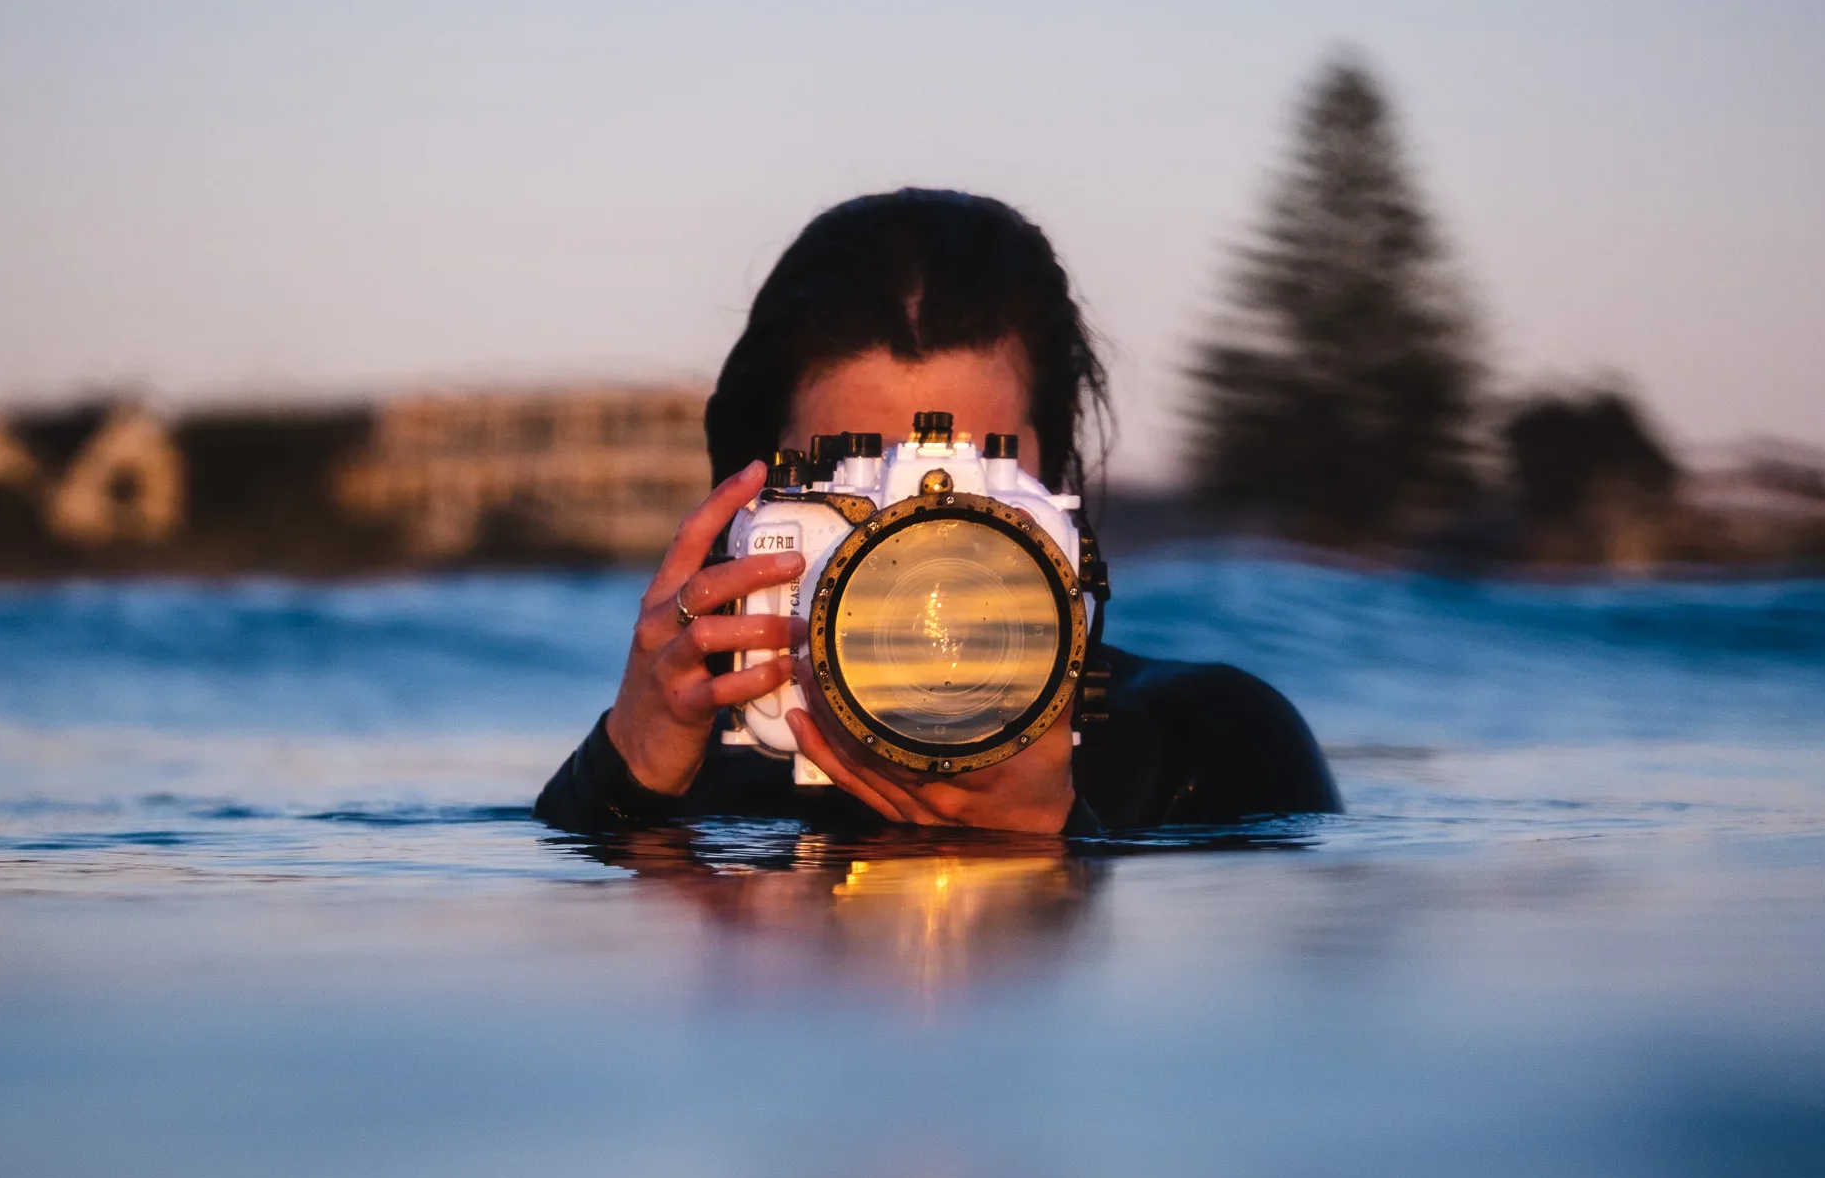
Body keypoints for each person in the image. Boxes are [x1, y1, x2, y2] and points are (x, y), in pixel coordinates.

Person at [537, 189, 1339, 836]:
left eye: (970, 478)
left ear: (1056, 487)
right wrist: (624, 774)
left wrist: (1047, 831)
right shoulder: (691, 761)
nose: (917, 533)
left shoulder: (1207, 739)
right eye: (854, 481)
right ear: (752, 504)